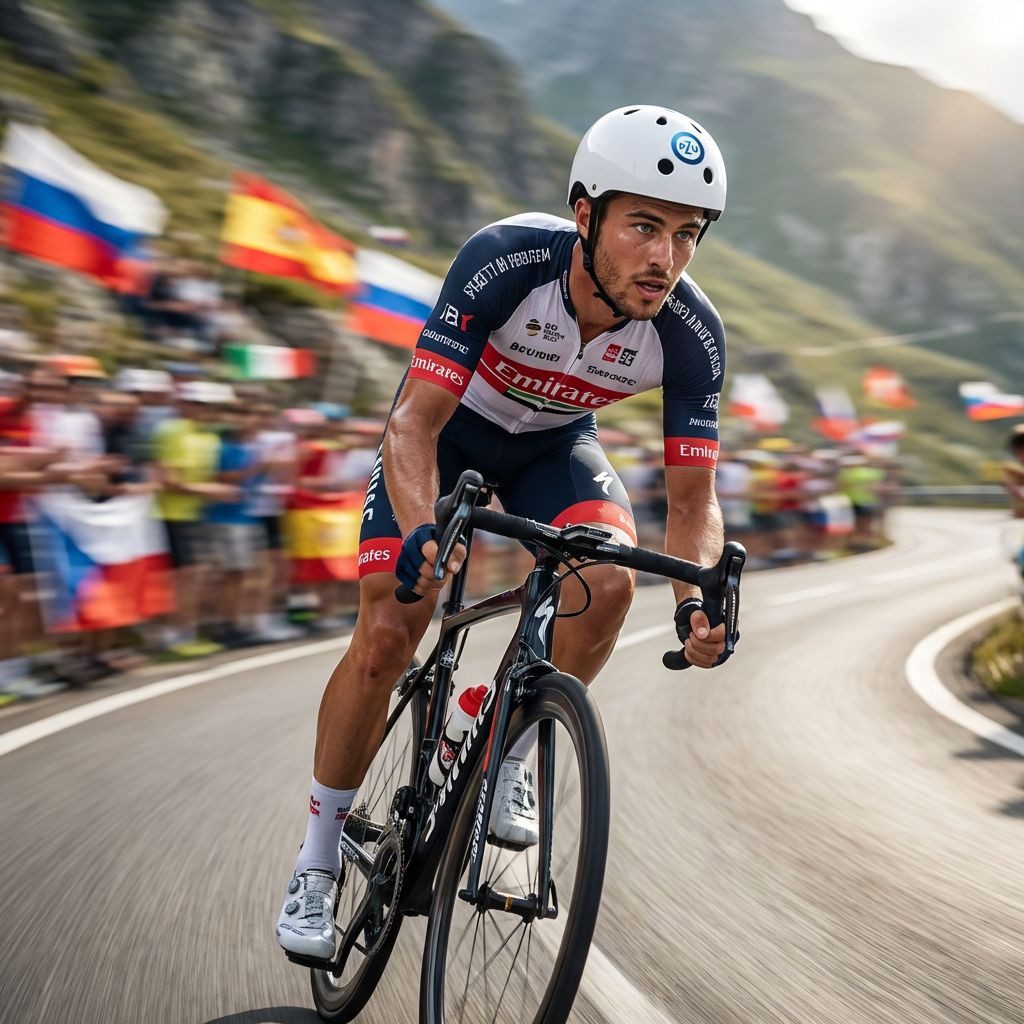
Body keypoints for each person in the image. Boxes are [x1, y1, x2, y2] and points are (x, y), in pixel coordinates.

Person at [276, 105, 736, 959]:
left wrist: (695, 599)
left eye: (686, 234)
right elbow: (413, 424)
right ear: (585, 214)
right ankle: (317, 860)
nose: (665, 258)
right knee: (389, 630)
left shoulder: (691, 334)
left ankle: (506, 751)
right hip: (446, 435)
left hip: (554, 448)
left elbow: (691, 502)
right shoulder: (506, 261)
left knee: (609, 583)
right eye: (644, 226)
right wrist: (425, 534)